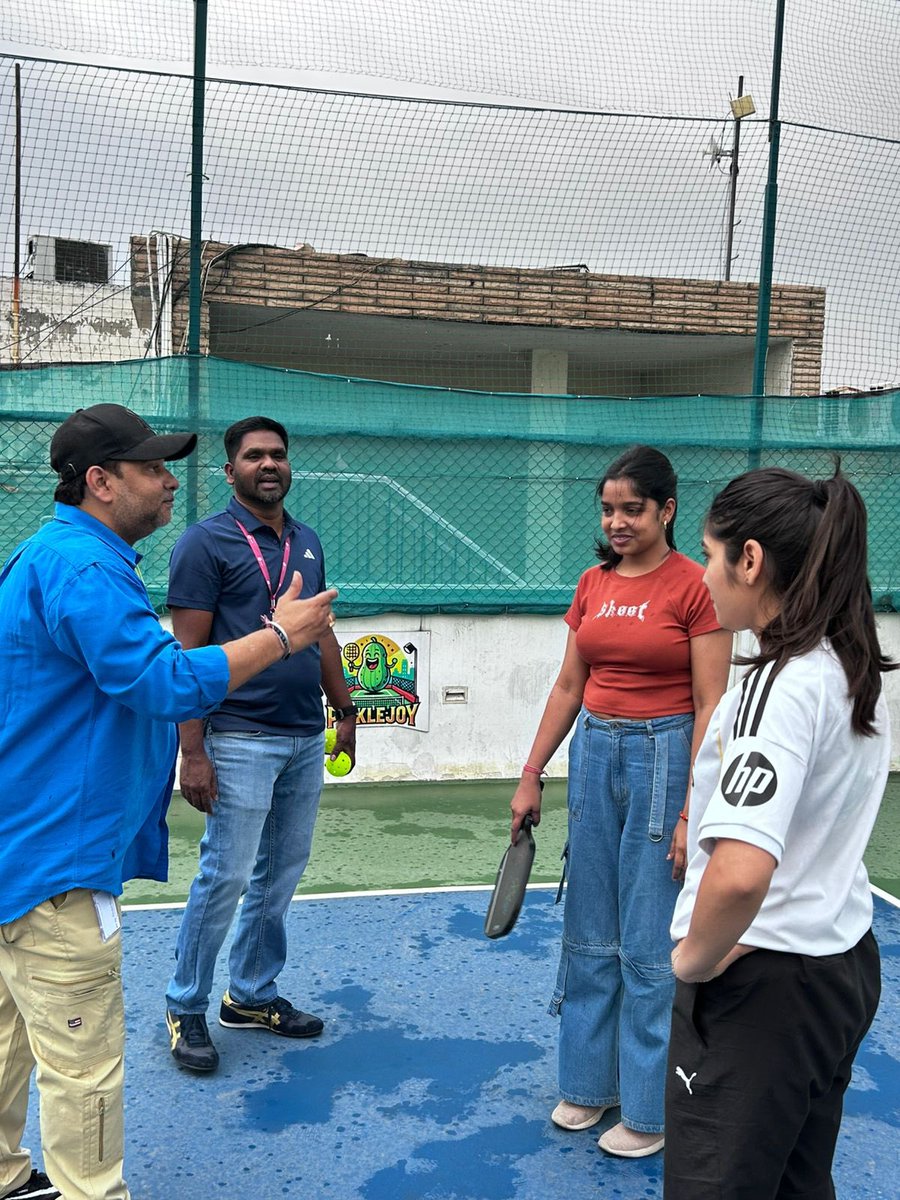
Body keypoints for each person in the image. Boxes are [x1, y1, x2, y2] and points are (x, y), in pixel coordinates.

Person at [0, 404, 336, 1200]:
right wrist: (282, 636)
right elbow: (166, 681)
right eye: (152, 467)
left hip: (24, 849)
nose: (167, 479)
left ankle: (9, 1175)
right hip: (58, 864)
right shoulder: (83, 570)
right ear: (101, 482)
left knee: (10, 1033)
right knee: (85, 1067)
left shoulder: (49, 556)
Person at [666, 465, 894, 1199]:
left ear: (752, 560)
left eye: (709, 552)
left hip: (763, 986)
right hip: (841, 965)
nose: (704, 574)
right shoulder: (850, 663)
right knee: (797, 1182)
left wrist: (692, 965)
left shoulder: (778, 680)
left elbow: (741, 873)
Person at [510, 445, 732, 1159]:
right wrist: (531, 770)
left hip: (666, 757)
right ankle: (588, 1082)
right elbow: (570, 686)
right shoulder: (591, 583)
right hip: (595, 755)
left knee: (645, 939)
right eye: (608, 510)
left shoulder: (697, 587)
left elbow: (710, 703)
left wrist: (691, 809)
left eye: (632, 509)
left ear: (667, 509)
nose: (617, 522)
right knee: (588, 924)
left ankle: (649, 1107)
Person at [164, 416, 356, 1073]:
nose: (268, 464)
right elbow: (185, 656)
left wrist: (346, 706)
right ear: (230, 471)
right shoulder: (204, 543)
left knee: (280, 876)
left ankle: (249, 994)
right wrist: (193, 751)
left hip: (304, 736)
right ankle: (184, 1004)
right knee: (226, 876)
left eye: (277, 454)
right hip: (238, 735)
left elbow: (320, 630)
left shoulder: (307, 540)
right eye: (253, 456)